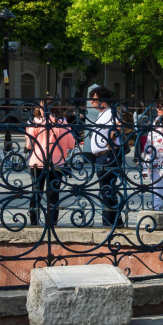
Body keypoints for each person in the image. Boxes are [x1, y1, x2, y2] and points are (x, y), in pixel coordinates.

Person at [24, 102, 75, 229]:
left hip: (37, 162)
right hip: (57, 163)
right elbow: (71, 144)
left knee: (36, 193)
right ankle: (52, 222)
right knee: (53, 195)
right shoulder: (63, 123)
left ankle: (34, 222)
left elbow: (29, 145)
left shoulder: (36, 122)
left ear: (43, 110)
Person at [82, 85, 122, 227]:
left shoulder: (110, 113)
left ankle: (109, 221)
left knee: (107, 189)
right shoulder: (103, 114)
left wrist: (111, 140)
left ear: (103, 100)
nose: (91, 102)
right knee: (106, 189)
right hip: (101, 156)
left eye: (94, 99)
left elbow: (119, 126)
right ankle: (114, 220)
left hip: (107, 155)